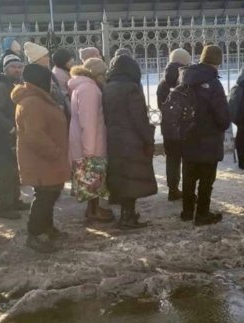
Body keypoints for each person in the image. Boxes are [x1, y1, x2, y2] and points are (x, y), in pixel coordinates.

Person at [13, 64, 71, 253]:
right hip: (42, 159)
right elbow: (35, 136)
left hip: (47, 159)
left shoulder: (39, 98)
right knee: (44, 196)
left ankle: (47, 227)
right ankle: (35, 234)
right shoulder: (32, 102)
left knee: (51, 193)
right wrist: (54, 152)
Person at [178, 45, 231, 225]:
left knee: (189, 176)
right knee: (206, 179)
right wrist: (223, 125)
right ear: (218, 62)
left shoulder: (185, 78)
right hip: (209, 139)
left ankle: (186, 211)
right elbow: (222, 116)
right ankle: (202, 213)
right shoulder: (214, 84)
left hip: (188, 136)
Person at [103, 54, 157, 229]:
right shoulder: (131, 88)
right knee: (132, 179)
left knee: (121, 177)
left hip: (114, 138)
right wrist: (148, 139)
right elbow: (139, 118)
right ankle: (127, 217)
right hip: (131, 140)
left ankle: (127, 214)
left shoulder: (108, 86)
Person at [68, 58, 114, 223]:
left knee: (89, 178)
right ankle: (94, 211)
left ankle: (92, 209)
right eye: (104, 74)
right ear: (97, 74)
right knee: (92, 177)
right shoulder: (90, 89)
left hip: (83, 141)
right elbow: (88, 123)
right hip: (90, 143)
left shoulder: (81, 86)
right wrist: (90, 151)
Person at [0, 53, 30, 220]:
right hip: (1, 137)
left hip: (12, 135)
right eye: (13, 67)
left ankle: (14, 200)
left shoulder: (14, 84)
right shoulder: (1, 87)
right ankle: (5, 207)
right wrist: (9, 127)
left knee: (13, 170)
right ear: (5, 69)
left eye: (20, 67)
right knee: (6, 173)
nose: (17, 70)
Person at [156, 48, 192, 202]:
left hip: (168, 129)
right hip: (185, 129)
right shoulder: (186, 81)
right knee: (188, 160)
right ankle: (188, 190)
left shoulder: (162, 83)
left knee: (172, 160)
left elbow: (161, 106)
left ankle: (172, 189)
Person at [24, 42, 70, 121]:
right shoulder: (35, 76)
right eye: (45, 56)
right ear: (37, 59)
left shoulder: (47, 72)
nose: (48, 58)